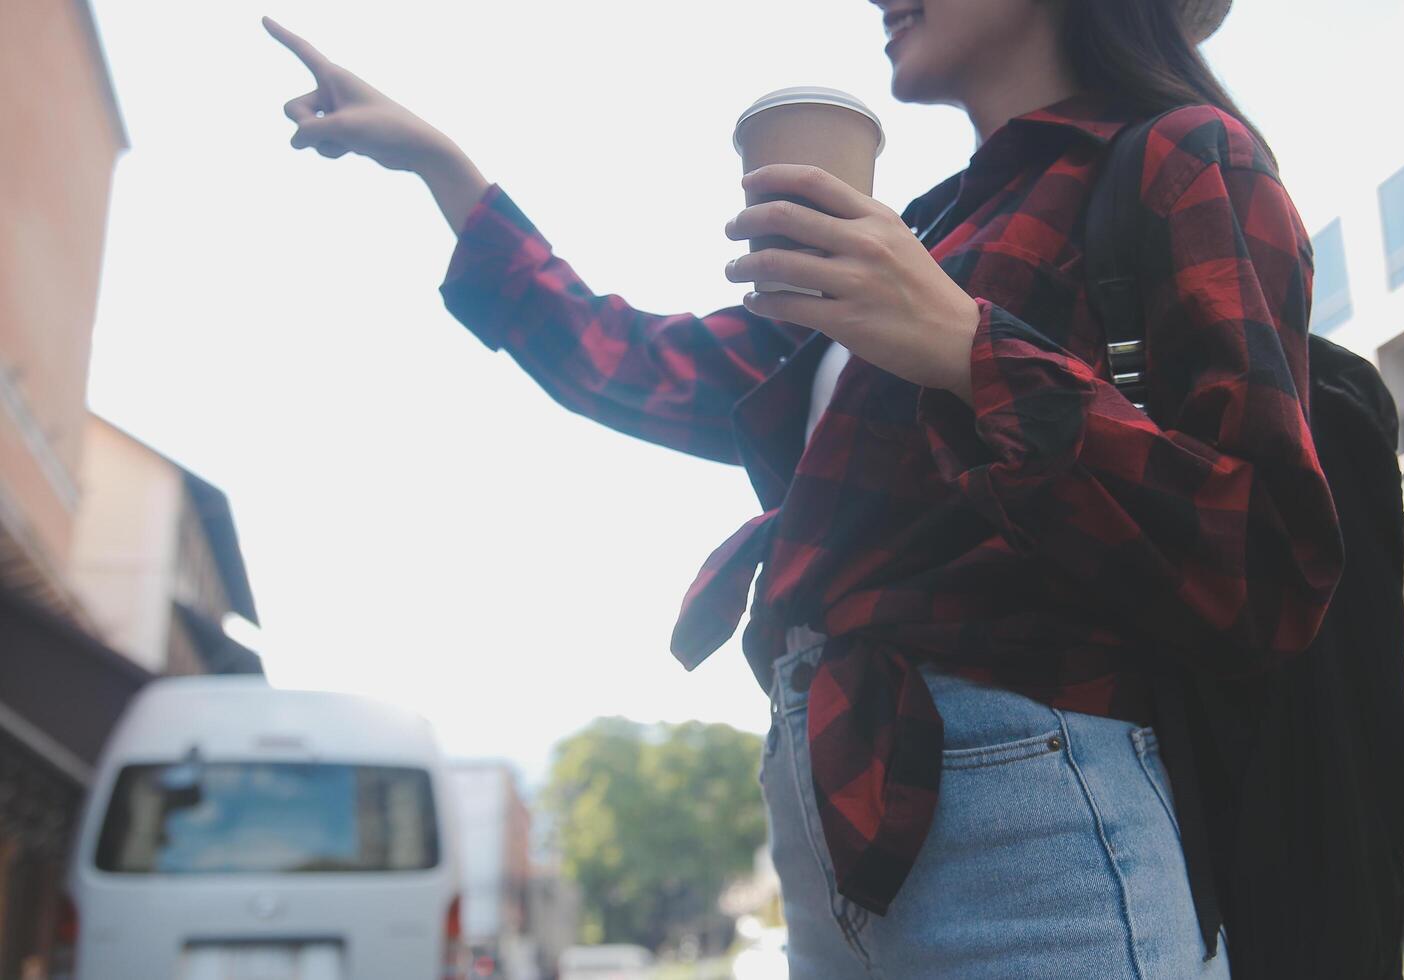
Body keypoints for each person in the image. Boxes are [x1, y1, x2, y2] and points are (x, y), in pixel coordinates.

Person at [265, 0, 1342, 975]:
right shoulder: (921, 236)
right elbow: (633, 363)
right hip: (838, 807)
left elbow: (1264, 563)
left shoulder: (1184, 158)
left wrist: (968, 349)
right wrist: (440, 168)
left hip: (1035, 826)